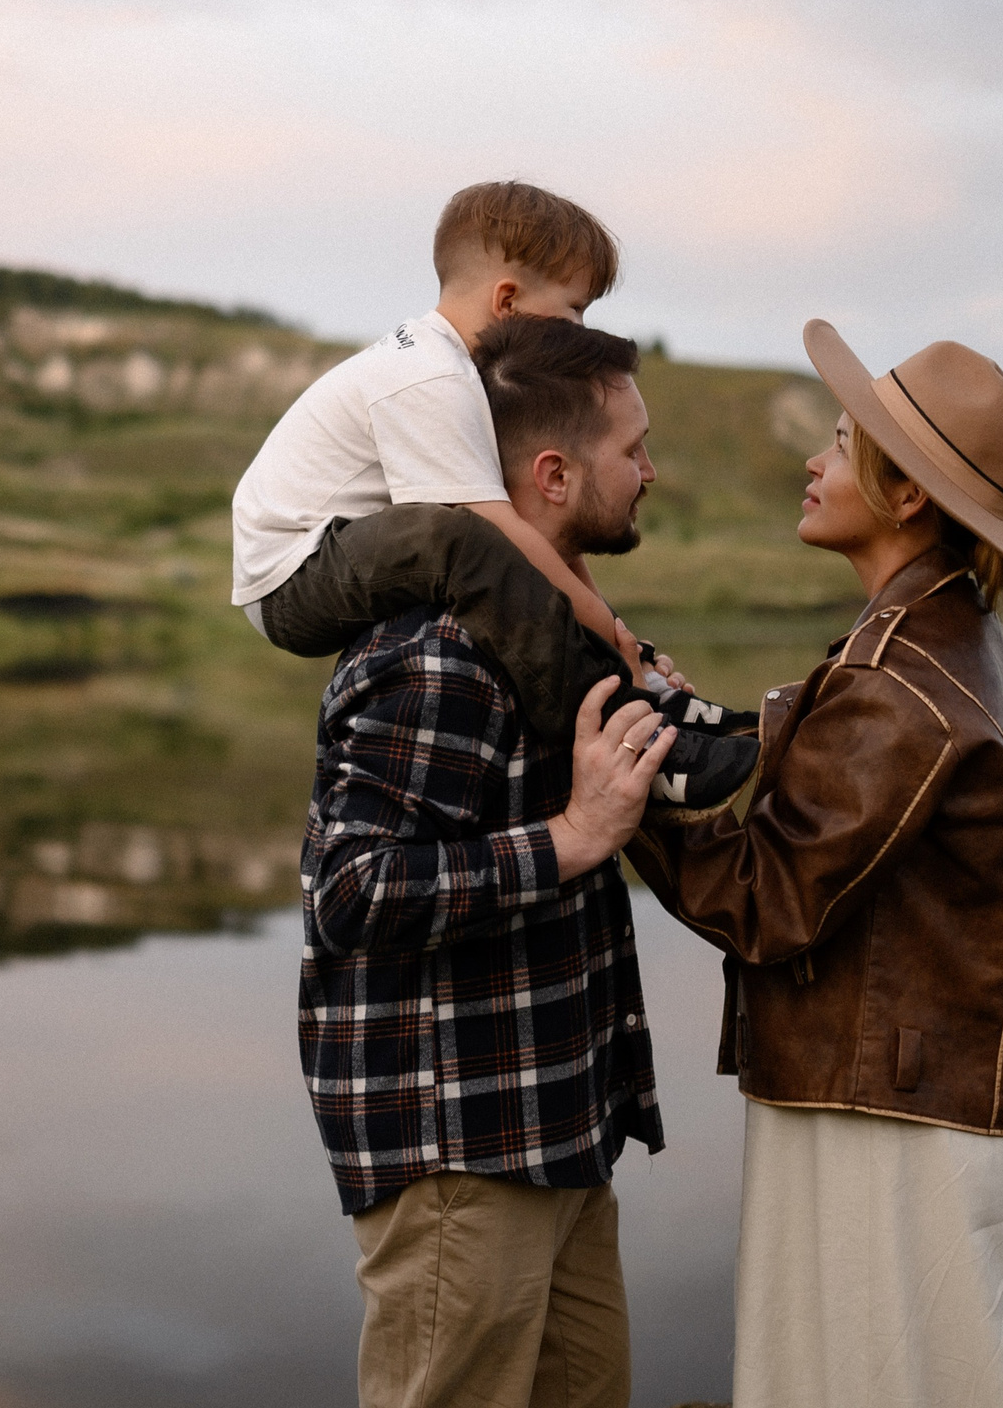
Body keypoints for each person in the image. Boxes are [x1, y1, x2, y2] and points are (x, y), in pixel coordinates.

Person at [628, 320, 1003, 1408]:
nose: (813, 461)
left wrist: (624, 791)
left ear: (907, 494)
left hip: (893, 1121)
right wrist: (689, 730)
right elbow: (835, 791)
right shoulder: (972, 651)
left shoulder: (903, 673)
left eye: (838, 444)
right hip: (955, 1102)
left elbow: (768, 897)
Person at [300, 319, 679, 1408]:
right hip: (460, 1151)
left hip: (556, 1127)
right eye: (634, 450)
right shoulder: (440, 650)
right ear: (554, 475)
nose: (651, 471)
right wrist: (573, 837)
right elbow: (351, 889)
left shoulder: (550, 638)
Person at [233, 180, 757, 813]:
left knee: (487, 541)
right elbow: (495, 533)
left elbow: (539, 540)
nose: (580, 330)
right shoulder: (429, 376)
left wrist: (624, 644)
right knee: (461, 541)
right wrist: (611, 644)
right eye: (573, 311)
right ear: (507, 301)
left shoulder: (459, 375)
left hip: (332, 555)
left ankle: (648, 708)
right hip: (291, 577)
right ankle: (627, 738)